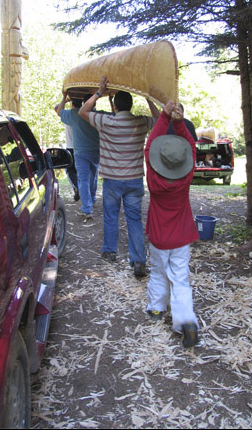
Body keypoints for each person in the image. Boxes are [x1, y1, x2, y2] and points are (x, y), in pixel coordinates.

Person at [78, 76, 159, 277]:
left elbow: (83, 111)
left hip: (112, 181)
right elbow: (160, 118)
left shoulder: (105, 122)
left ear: (116, 107)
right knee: (134, 220)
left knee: (111, 216)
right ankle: (139, 260)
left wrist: (98, 93)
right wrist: (148, 97)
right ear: (131, 105)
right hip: (134, 180)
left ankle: (110, 252)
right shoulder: (141, 122)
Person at [144, 100, 200, 348]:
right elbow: (191, 146)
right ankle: (186, 320)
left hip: (159, 237)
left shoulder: (154, 180)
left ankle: (156, 309)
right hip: (181, 238)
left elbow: (148, 148)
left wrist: (165, 117)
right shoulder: (186, 178)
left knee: (158, 272)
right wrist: (178, 121)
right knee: (181, 278)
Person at [55, 94, 104, 218]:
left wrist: (65, 96)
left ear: (84, 102)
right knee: (93, 177)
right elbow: (116, 114)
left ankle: (87, 208)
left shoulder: (74, 114)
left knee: (83, 179)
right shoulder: (99, 115)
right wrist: (110, 100)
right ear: (95, 102)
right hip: (95, 151)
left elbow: (59, 111)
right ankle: (92, 200)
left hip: (80, 152)